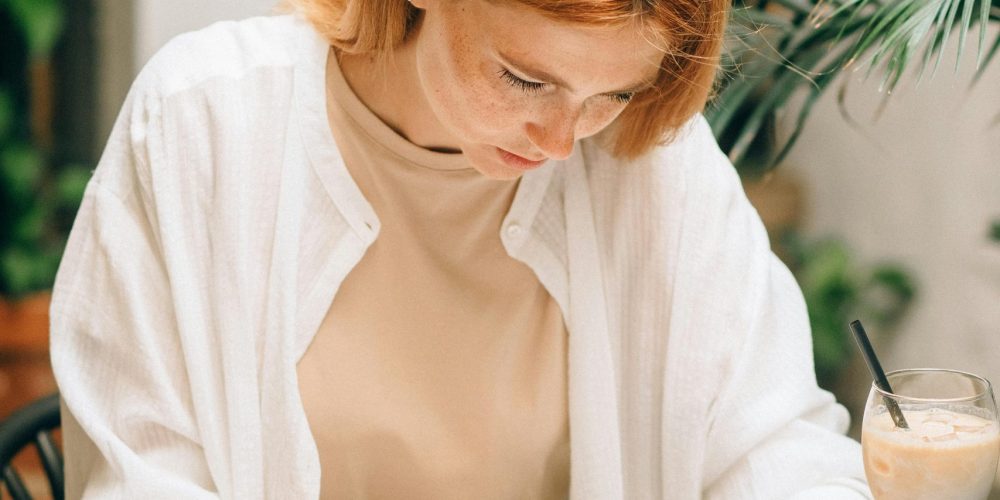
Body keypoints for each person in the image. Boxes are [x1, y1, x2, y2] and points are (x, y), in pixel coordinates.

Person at [49, 0, 871, 498]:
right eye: (525, 79)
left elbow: (776, 449)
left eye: (613, 94)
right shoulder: (200, 126)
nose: (561, 142)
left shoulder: (653, 168)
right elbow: (143, 478)